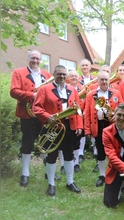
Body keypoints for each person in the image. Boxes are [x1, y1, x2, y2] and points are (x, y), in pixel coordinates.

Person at [33, 65, 83, 196]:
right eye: (59, 74)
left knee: (69, 155)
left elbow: (78, 110)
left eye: (64, 74)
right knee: (51, 156)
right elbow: (36, 108)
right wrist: (47, 117)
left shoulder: (72, 89)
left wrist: (79, 126)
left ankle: (70, 182)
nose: (62, 76)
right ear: (54, 75)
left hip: (69, 127)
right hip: (52, 127)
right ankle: (51, 184)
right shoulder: (44, 89)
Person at [10, 50, 54, 187]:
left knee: (44, 143)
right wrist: (32, 95)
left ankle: (49, 172)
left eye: (37, 59)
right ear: (28, 58)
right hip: (26, 114)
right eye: (33, 58)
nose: (35, 61)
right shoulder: (18, 72)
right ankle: (25, 173)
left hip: (42, 115)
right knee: (27, 143)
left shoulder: (46, 75)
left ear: (40, 60)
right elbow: (13, 91)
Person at [84, 71, 123, 187]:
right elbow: (87, 113)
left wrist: (117, 115)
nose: (104, 82)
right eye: (102, 79)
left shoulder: (116, 92)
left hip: (113, 125)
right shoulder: (91, 94)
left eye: (106, 79)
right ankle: (102, 175)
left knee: (115, 150)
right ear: (98, 81)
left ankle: (114, 173)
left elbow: (122, 107)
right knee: (100, 151)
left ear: (109, 80)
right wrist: (87, 130)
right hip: (99, 125)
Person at [58, 71, 85, 174]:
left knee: (76, 143)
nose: (74, 77)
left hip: (76, 119)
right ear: (67, 78)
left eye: (76, 76)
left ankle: (76, 163)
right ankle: (62, 165)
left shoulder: (79, 89)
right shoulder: (61, 89)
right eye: (72, 76)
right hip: (62, 120)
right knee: (61, 145)